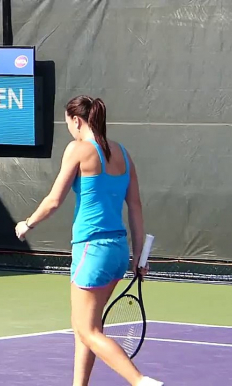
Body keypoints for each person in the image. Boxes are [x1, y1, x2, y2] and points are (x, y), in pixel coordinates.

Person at [14, 95, 163, 386]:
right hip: (118, 252)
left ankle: (141, 381)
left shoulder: (78, 150)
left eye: (68, 122)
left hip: (92, 251)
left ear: (77, 120)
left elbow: (54, 200)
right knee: (86, 328)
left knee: (88, 330)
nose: (68, 128)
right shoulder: (123, 154)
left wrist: (27, 223)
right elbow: (135, 206)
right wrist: (139, 257)